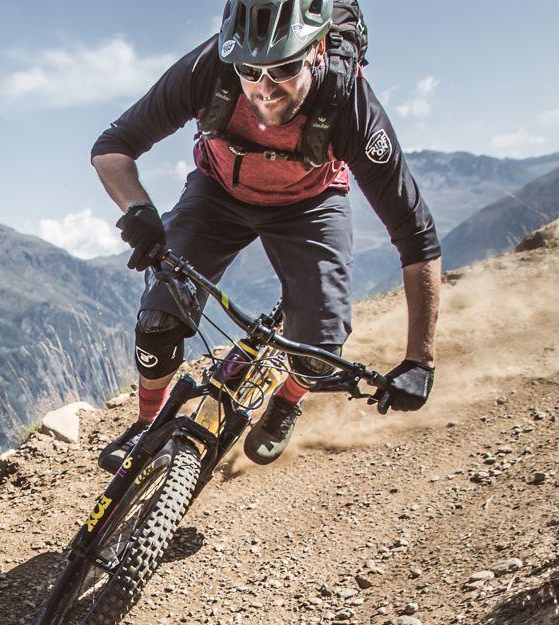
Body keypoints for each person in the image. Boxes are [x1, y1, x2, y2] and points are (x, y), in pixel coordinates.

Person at [92, 0, 439, 472]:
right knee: (158, 324)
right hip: (217, 193)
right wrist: (138, 210)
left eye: (284, 68)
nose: (264, 88)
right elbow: (113, 147)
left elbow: (416, 236)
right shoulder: (207, 68)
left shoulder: (351, 106)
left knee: (318, 353)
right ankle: (147, 424)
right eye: (249, 71)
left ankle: (287, 400)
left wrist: (420, 360)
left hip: (311, 204)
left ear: (316, 50)